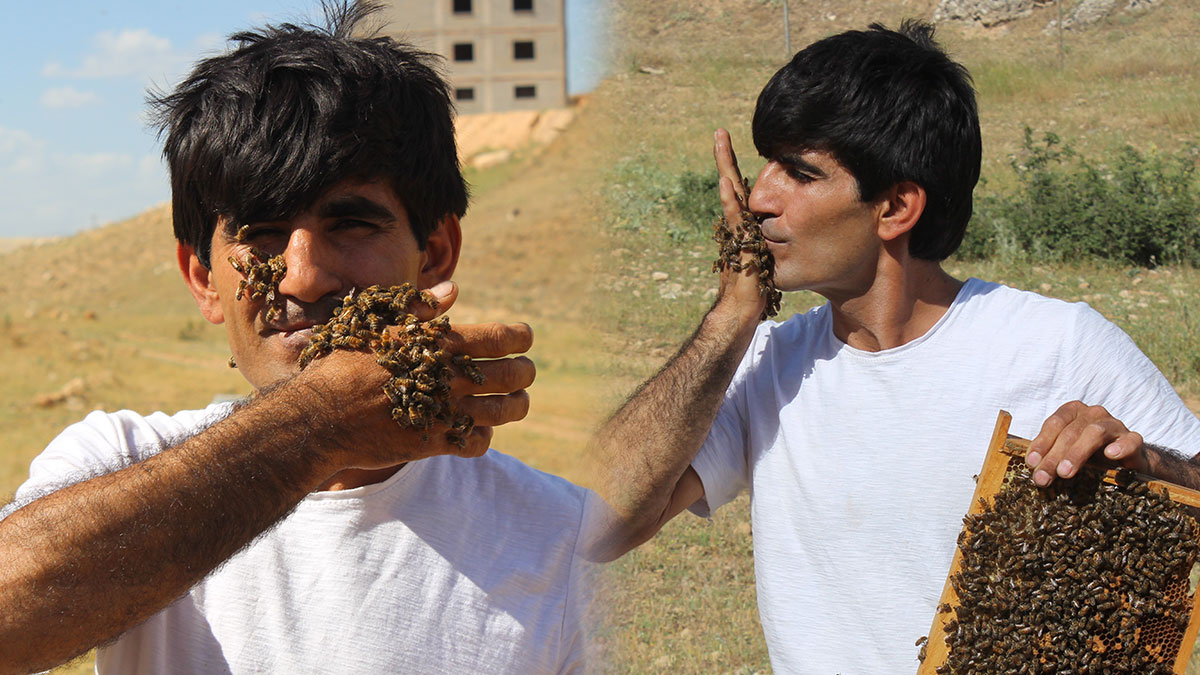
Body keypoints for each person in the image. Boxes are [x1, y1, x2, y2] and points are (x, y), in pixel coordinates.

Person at [587, 19, 1200, 672]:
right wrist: (729, 319)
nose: (759, 197)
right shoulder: (768, 363)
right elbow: (595, 525)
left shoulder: (1058, 344)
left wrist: (1155, 470)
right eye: (765, 165)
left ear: (896, 207)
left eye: (798, 172)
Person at [0, 3, 593, 673]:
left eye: (351, 224)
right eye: (262, 233)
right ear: (202, 276)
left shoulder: (568, 542)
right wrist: (320, 426)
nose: (305, 277)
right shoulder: (117, 458)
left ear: (434, 254)